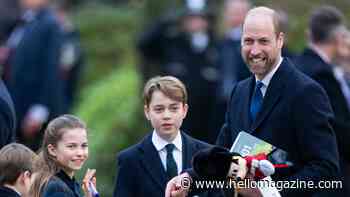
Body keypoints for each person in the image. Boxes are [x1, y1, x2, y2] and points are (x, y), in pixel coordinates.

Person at [165, 6, 339, 197]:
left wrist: (268, 193)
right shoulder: (239, 92)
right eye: (248, 41)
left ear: (280, 40)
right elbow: (221, 155)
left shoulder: (306, 92)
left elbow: (326, 169)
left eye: (263, 41)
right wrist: (188, 179)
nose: (255, 50)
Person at [113, 76, 222, 197]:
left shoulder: (208, 155)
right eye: (159, 109)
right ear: (147, 112)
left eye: (174, 108)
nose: (166, 116)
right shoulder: (129, 160)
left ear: (184, 110)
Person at [295, 6, 350, 197]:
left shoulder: (297, 64)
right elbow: (338, 127)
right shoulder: (322, 74)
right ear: (337, 39)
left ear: (310, 35)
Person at [8, 0, 66, 151]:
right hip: (18, 107)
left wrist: (38, 111)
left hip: (35, 113)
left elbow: (51, 70)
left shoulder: (50, 24)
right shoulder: (25, 21)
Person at [30, 114, 97, 197]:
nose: (80, 153)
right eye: (71, 146)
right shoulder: (56, 189)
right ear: (52, 150)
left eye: (84, 145)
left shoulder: (69, 183)